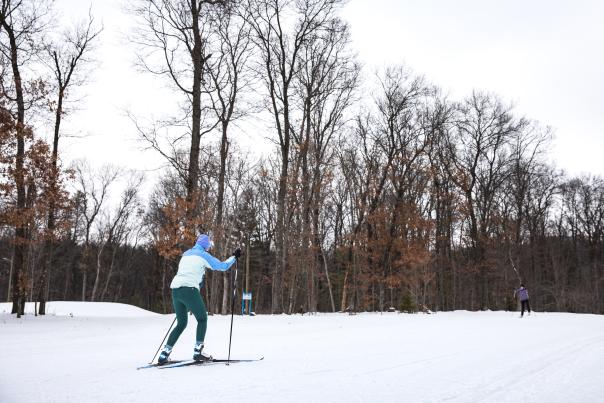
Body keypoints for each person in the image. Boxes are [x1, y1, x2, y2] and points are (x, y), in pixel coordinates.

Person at [157, 234, 241, 364]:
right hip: (189, 290)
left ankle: (164, 354)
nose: (209, 248)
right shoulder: (203, 255)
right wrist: (234, 257)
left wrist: (198, 282)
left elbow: (188, 272)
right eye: (209, 246)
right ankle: (198, 351)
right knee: (202, 319)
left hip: (176, 291)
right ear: (206, 245)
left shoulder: (186, 254)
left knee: (181, 324)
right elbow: (222, 266)